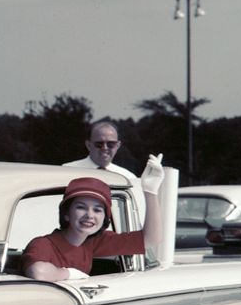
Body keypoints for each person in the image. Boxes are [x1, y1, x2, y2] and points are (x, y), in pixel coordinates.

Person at [22, 155, 164, 281]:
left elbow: (151, 239)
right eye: (81, 207)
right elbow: (38, 272)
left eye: (97, 210)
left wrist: (150, 191)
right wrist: (69, 273)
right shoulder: (42, 244)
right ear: (66, 213)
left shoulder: (94, 243)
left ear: (104, 218)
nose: (89, 215)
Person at [65, 120, 141, 189]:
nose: (105, 148)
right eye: (99, 144)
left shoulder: (128, 178)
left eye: (111, 144)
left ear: (118, 146)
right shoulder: (67, 171)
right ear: (88, 145)